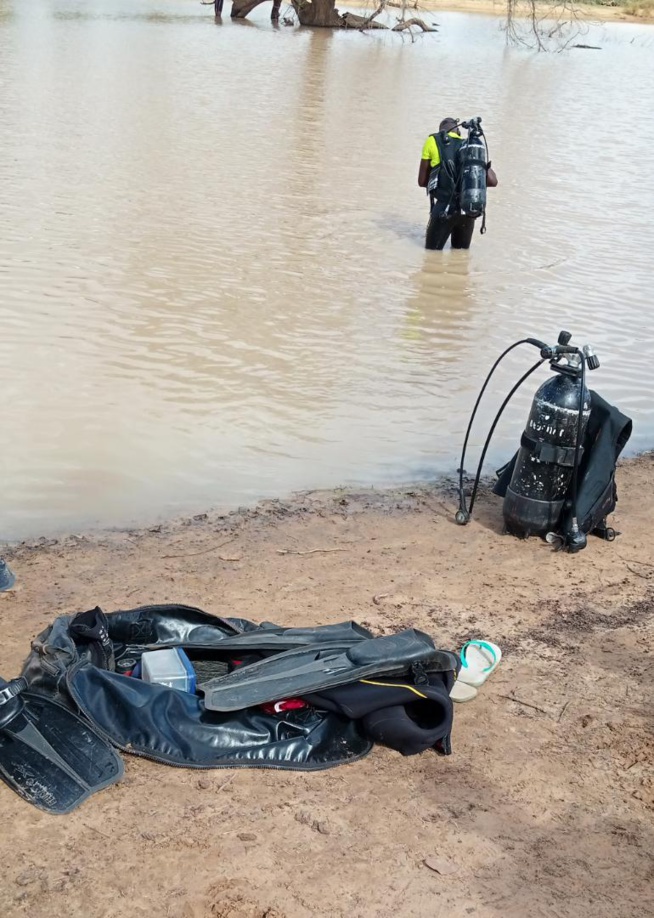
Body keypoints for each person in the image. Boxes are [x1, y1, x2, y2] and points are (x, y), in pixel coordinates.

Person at [418, 117, 498, 251]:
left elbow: (422, 182)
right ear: (458, 132)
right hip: (467, 211)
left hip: (444, 209)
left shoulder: (432, 141)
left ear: (441, 131)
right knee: (460, 256)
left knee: (431, 257)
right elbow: (492, 181)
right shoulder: (470, 147)